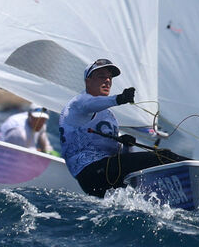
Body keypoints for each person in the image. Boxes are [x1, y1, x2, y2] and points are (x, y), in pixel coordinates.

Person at [60, 58, 182, 197]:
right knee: (164, 157)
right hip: (91, 171)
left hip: (104, 177)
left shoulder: (109, 116)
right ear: (88, 81)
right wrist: (119, 98)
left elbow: (121, 159)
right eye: (101, 77)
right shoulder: (76, 104)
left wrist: (126, 146)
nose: (107, 81)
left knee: (157, 167)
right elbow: (89, 103)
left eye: (110, 78)